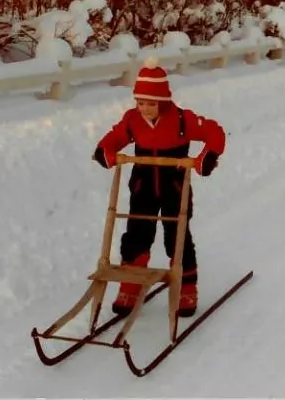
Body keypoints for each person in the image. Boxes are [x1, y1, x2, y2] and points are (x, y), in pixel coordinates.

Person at [93, 56, 226, 318]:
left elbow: (215, 133)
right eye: (140, 102)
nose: (145, 108)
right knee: (136, 236)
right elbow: (117, 135)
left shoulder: (181, 120)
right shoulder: (133, 119)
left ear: (163, 101)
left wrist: (205, 158)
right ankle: (130, 286)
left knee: (175, 238)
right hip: (143, 184)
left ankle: (187, 287)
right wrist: (105, 150)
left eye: (151, 103)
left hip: (174, 185)